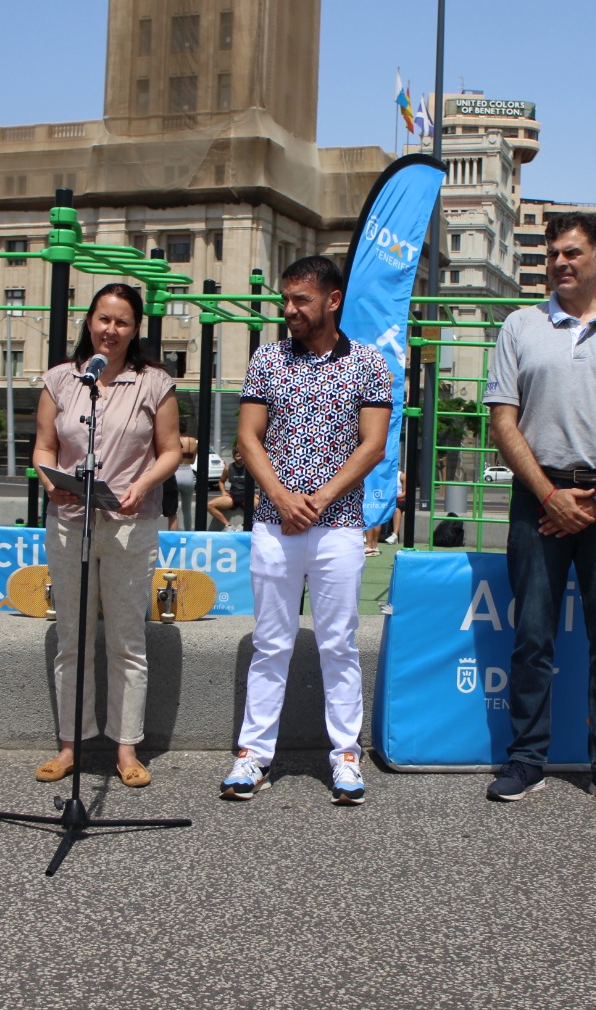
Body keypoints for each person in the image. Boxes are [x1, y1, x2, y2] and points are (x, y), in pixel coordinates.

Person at [482, 211, 596, 806]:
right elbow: (502, 422)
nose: (561, 263)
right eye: (553, 253)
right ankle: (526, 757)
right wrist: (549, 495)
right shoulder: (519, 326)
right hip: (538, 500)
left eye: (572, 253)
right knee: (532, 635)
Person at [219, 255, 390, 805]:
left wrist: (317, 499)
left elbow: (373, 445)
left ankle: (344, 755)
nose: (289, 309)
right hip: (274, 523)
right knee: (271, 642)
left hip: (339, 526)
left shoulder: (368, 363)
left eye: (300, 300)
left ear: (332, 300)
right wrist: (281, 497)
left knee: (338, 642)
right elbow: (249, 438)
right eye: (286, 300)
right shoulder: (267, 359)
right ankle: (253, 755)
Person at [31, 283, 181, 788]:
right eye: (103, 319)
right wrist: (51, 480)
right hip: (70, 524)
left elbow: (169, 451)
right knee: (72, 639)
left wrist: (143, 484)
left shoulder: (154, 383)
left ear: (135, 329)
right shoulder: (60, 380)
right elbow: (44, 449)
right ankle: (71, 745)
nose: (110, 330)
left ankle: (126, 747)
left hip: (129, 526)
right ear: (88, 321)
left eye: (121, 322)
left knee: (126, 640)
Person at [207, 444, 250, 530]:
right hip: (232, 496)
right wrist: (223, 492)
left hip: (247, 496)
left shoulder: (249, 467)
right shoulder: (228, 468)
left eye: (242, 455)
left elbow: (259, 482)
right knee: (209, 505)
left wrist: (255, 494)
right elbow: (221, 481)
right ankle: (228, 525)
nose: (240, 457)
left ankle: (244, 525)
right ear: (233, 457)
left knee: (262, 506)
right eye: (238, 456)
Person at [169, 417, 198, 530]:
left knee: (174, 510)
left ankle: (176, 533)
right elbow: (193, 460)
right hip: (188, 473)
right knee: (187, 510)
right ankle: (188, 532)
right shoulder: (193, 441)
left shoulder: (174, 439)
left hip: (176, 473)